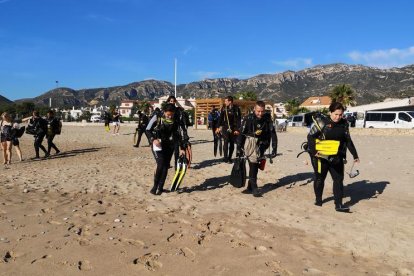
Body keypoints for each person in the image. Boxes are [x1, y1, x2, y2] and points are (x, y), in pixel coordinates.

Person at [307, 102, 360, 212]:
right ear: (330, 113)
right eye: (336, 114)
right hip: (321, 157)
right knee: (320, 178)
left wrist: (355, 155)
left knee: (338, 180)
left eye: (340, 115)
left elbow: (348, 140)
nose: (338, 117)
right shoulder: (322, 123)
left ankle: (339, 204)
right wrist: (314, 151)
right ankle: (318, 199)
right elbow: (310, 137)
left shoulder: (344, 124)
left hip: (337, 157)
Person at [237, 101, 277, 197]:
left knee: (255, 166)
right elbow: (241, 134)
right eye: (258, 111)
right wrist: (239, 148)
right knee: (253, 164)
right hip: (251, 143)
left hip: (263, 145)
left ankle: (250, 187)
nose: (260, 113)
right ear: (254, 109)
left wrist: (274, 148)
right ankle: (254, 188)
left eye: (262, 111)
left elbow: (273, 134)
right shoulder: (248, 118)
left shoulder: (267, 119)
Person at [146, 103, 186, 195]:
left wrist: (182, 148)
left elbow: (178, 135)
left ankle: (160, 188)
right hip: (157, 145)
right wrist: (153, 139)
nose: (170, 116)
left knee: (166, 166)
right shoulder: (157, 117)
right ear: (164, 112)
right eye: (168, 114)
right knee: (160, 163)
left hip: (169, 145)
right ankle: (154, 187)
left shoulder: (175, 120)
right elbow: (147, 130)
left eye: (171, 115)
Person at [216, 96, 241, 163]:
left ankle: (230, 157)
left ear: (230, 101)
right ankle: (225, 157)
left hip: (233, 128)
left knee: (232, 143)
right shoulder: (224, 108)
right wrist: (218, 127)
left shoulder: (236, 109)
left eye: (226, 101)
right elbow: (220, 118)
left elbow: (238, 120)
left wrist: (237, 129)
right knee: (226, 142)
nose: (225, 102)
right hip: (225, 127)